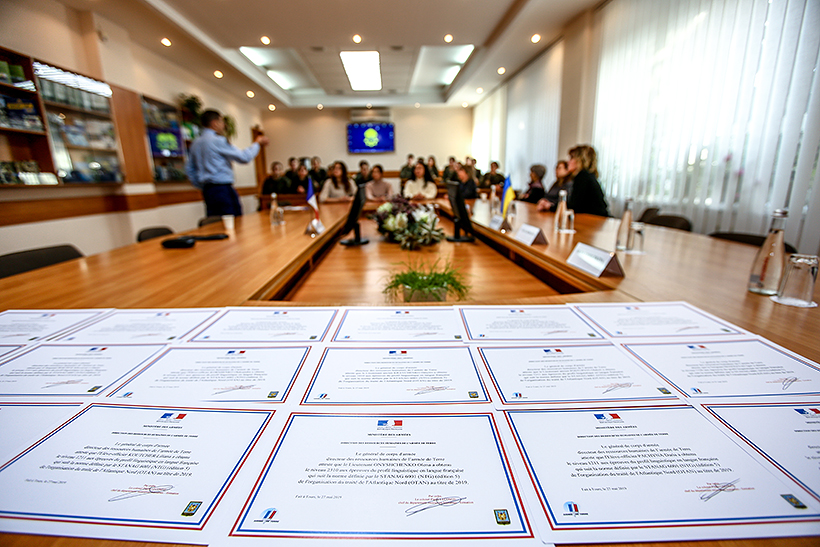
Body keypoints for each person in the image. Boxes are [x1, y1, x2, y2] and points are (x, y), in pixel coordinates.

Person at [186, 109, 268, 216]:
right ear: (215, 123)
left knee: (215, 222)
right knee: (234, 221)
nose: (224, 125)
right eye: (221, 121)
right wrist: (257, 143)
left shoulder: (195, 143)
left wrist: (203, 185)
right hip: (222, 189)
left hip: (208, 190)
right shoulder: (217, 140)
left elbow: (190, 169)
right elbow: (244, 157)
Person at [566, 144, 609, 217]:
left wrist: (551, 206)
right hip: (595, 218)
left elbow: (574, 206)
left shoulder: (583, 177)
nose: (568, 162)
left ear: (580, 160)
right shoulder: (588, 176)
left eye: (571, 158)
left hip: (595, 219)